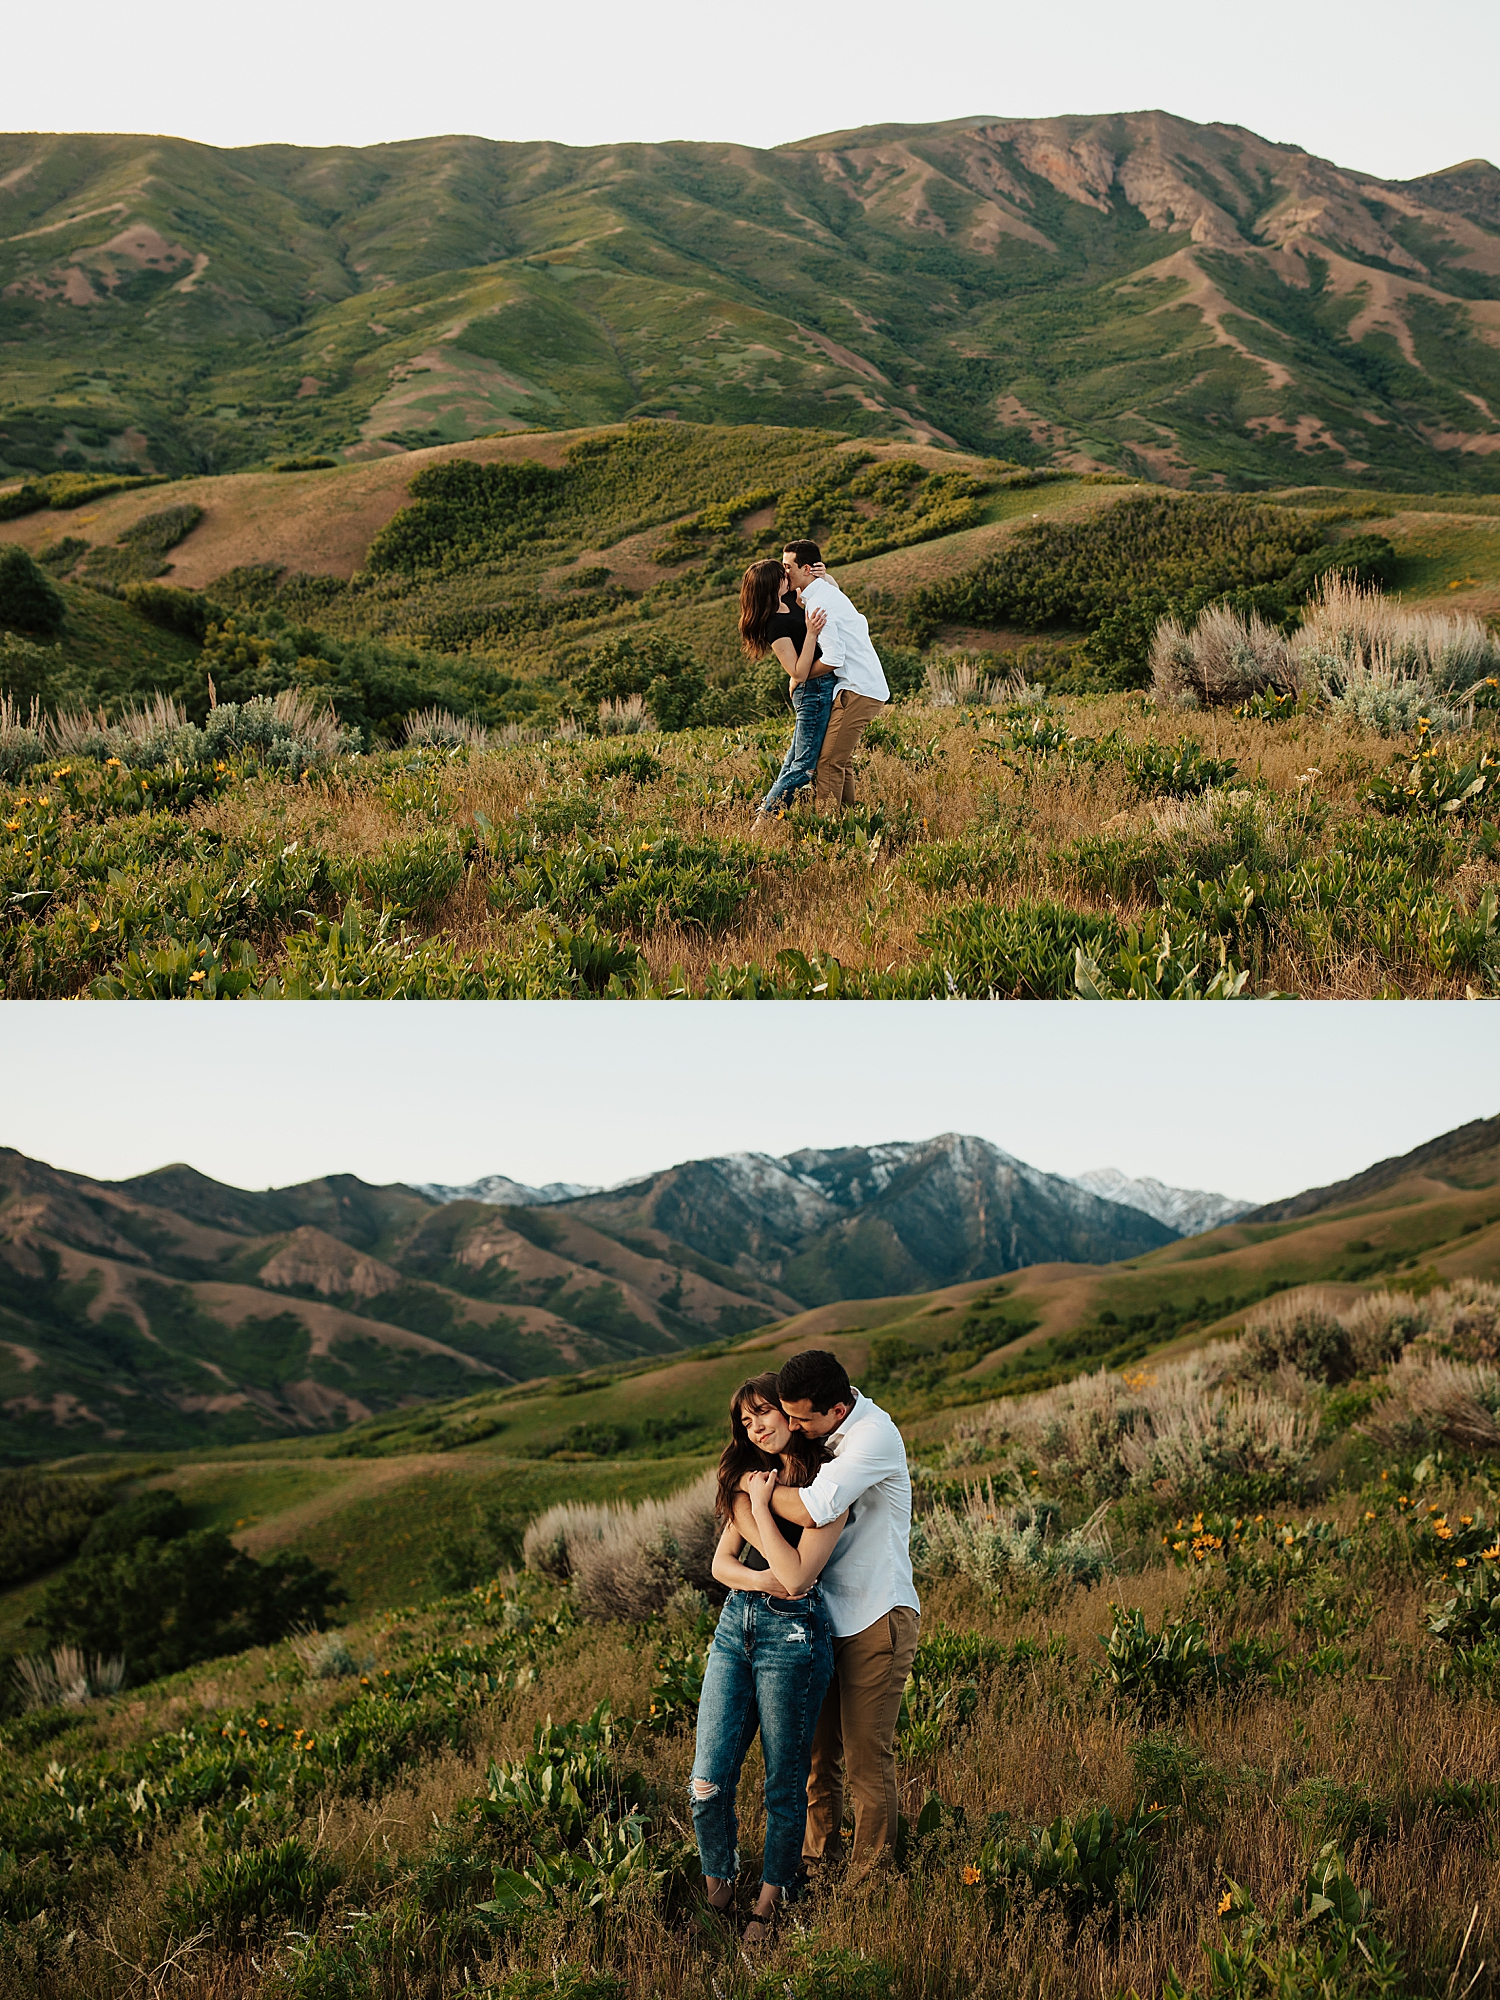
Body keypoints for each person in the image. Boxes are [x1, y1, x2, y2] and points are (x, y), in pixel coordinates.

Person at [746, 1348, 918, 1879]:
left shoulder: (872, 1438)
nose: (793, 1427)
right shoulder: (824, 1439)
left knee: (868, 1762)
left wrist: (753, 1492)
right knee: (820, 1759)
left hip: (875, 1618)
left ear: (837, 1411)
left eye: (800, 1418)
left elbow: (815, 1508)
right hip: (823, 1622)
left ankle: (871, 1884)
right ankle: (818, 1866)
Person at [691, 1372, 847, 1945]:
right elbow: (723, 1565)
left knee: (783, 1784)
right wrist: (759, 1575)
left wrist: (757, 1503)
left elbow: (799, 1578)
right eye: (744, 1419)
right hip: (737, 1625)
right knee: (708, 1780)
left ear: (789, 1413)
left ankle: (768, 1902)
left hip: (795, 1641)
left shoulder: (827, 1489)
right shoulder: (748, 1476)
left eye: (762, 1412)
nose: (754, 1425)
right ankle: (720, 1888)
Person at [781, 543, 890, 812]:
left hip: (859, 689)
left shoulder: (819, 603)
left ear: (806, 569)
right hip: (861, 685)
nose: (783, 572)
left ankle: (828, 828)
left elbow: (833, 658)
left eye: (787, 567)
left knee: (828, 762)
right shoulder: (822, 593)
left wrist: (800, 676)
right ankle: (850, 820)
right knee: (840, 760)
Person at [737, 558, 832, 825]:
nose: (787, 576)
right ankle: (762, 826)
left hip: (816, 688)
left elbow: (816, 587)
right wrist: (812, 633)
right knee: (802, 769)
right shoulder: (773, 625)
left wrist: (823, 575)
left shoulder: (788, 598)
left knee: (792, 765)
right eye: (782, 574)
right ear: (772, 585)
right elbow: (798, 672)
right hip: (813, 692)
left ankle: (762, 821)